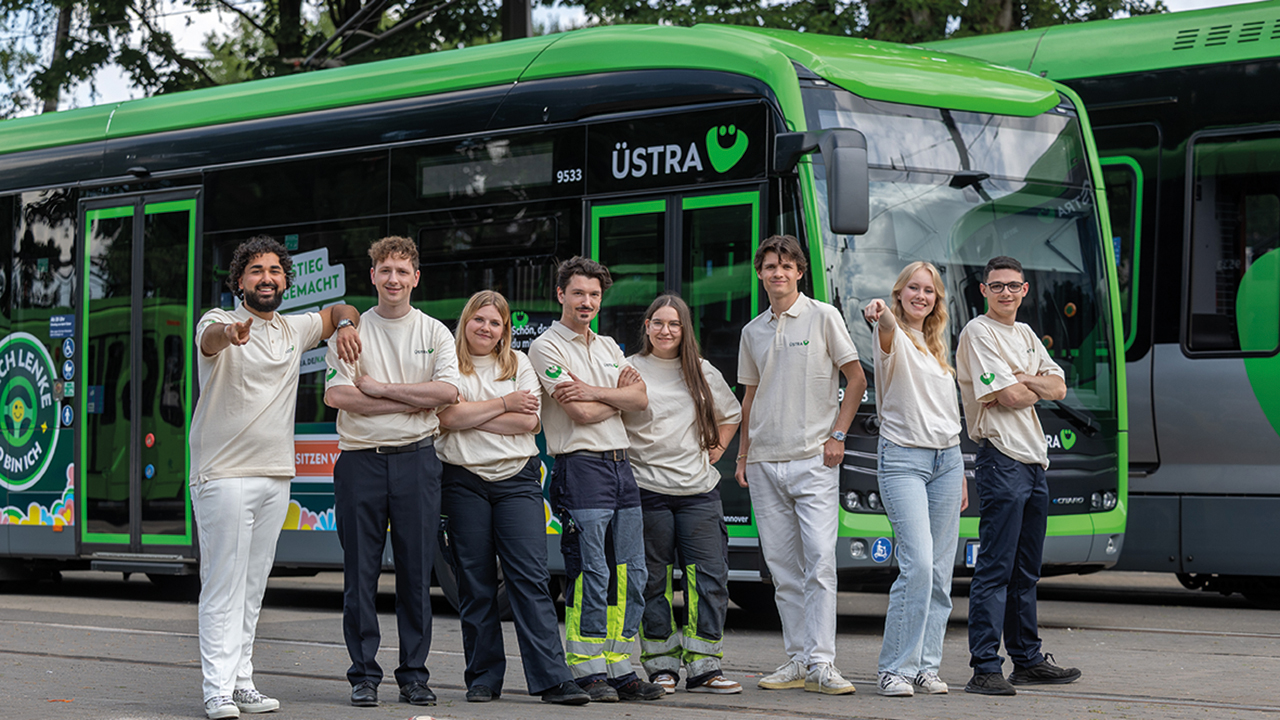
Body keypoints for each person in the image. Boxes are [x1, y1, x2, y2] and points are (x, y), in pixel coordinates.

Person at [191, 235, 362, 720]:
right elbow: (209, 341)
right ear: (239, 281)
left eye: (275, 271)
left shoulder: (293, 328)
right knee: (223, 584)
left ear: (286, 279)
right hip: (223, 474)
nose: (266, 278)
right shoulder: (219, 321)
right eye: (256, 271)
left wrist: (346, 323)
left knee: (252, 585)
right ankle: (216, 689)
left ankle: (241, 681)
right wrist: (231, 336)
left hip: (274, 475)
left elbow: (338, 309)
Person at [435, 290, 591, 707]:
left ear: (505, 329)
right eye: (479, 320)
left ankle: (553, 680)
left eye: (495, 322)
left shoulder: (519, 363)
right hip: (462, 480)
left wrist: (474, 412)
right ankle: (483, 678)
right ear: (466, 321)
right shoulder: (447, 363)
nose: (486, 328)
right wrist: (503, 403)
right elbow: (446, 418)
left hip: (517, 481)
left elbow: (529, 422)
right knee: (475, 583)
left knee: (531, 580)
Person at [323, 236, 460, 708]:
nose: (394, 280)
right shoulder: (351, 331)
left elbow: (445, 393)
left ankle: (414, 676)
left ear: (416, 277)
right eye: (386, 271)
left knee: (415, 574)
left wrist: (379, 389)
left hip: (417, 459)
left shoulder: (435, 333)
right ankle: (363, 675)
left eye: (403, 271)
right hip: (360, 461)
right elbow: (338, 396)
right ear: (373, 276)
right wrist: (410, 396)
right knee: (359, 575)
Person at [527, 256, 665, 703]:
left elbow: (642, 398)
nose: (586, 302)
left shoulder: (607, 345)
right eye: (578, 293)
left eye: (594, 295)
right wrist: (616, 397)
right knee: (592, 569)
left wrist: (595, 391)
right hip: (580, 465)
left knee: (631, 571)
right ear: (561, 294)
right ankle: (587, 668)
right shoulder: (546, 347)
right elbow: (580, 413)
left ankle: (621, 666)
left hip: (621, 465)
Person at [734, 234, 866, 696]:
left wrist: (838, 435)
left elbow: (856, 378)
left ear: (800, 272)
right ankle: (797, 659)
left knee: (820, 563)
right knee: (783, 568)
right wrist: (744, 454)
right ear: (760, 274)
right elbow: (749, 397)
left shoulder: (823, 316)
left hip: (814, 459)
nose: (778, 273)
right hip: (766, 462)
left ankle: (824, 663)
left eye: (786, 265)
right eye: (770, 266)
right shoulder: (753, 331)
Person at [956, 255, 1081, 696]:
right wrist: (1028, 385)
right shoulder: (977, 332)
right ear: (983, 292)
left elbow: (1059, 388)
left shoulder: (1026, 334)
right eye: (996, 286)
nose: (1005, 292)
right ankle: (985, 667)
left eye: (1013, 286)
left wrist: (1023, 379)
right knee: (995, 568)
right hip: (1000, 458)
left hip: (1033, 462)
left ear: (1025, 290)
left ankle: (1026, 660)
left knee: (1026, 570)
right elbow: (1008, 396)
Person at [623, 294, 743, 695]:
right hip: (647, 489)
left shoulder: (701, 371)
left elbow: (732, 413)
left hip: (698, 491)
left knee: (709, 578)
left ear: (684, 329)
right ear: (647, 326)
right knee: (652, 581)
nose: (665, 331)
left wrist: (718, 450)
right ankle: (661, 666)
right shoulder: (629, 369)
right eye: (658, 323)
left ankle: (705, 666)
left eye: (674, 324)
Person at [862, 262, 968, 697]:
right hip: (903, 459)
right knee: (918, 564)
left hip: (948, 460)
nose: (921, 296)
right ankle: (895, 669)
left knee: (942, 572)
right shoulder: (893, 339)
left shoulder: (937, 346)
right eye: (914, 289)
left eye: (929, 291)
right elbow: (885, 323)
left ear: (936, 299)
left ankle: (926, 665)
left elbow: (947, 416)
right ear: (900, 293)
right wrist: (880, 312)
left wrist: (959, 470)